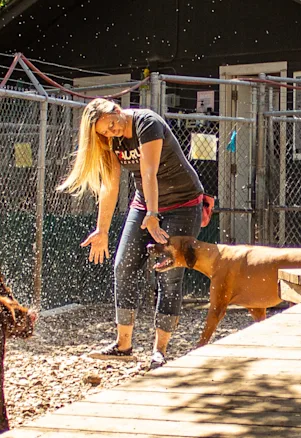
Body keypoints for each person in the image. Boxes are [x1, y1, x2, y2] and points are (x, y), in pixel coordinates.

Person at [56, 97, 209, 366]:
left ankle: (159, 350)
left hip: (183, 203)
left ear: (117, 109)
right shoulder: (110, 141)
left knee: (170, 272)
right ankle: (123, 344)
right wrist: (101, 230)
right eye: (105, 132)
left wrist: (153, 215)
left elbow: (148, 171)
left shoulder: (147, 123)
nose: (112, 132)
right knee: (123, 265)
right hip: (144, 202)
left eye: (112, 125)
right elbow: (110, 187)